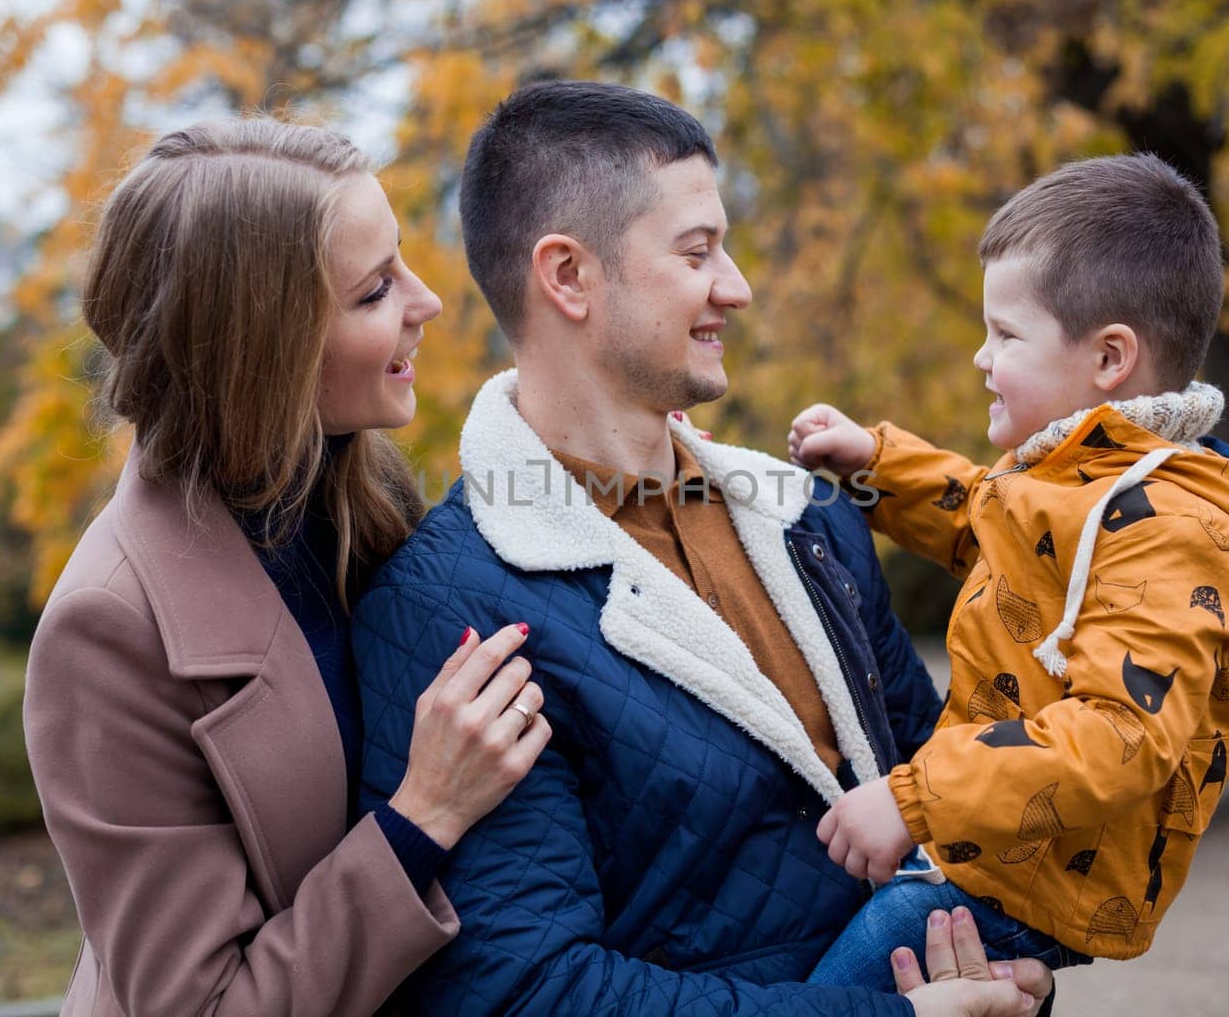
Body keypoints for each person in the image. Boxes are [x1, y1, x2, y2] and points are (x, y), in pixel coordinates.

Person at [352, 80, 1053, 1015]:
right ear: (568, 277)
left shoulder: (809, 516)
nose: (738, 286)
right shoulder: (452, 606)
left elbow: (946, 790)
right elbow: (530, 990)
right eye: (697, 252)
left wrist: (1010, 975)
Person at [21, 117, 552, 1016]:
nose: (426, 303)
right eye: (376, 288)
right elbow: (204, 1005)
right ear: (264, 346)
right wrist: (420, 817)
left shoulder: (362, 491)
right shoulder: (108, 630)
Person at [789, 154, 1229, 992]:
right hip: (984, 841)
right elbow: (992, 524)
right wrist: (880, 466)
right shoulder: (1082, 478)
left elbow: (1121, 735)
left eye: (1006, 334)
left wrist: (915, 798)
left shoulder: (1177, 530)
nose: (979, 358)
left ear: (1109, 359)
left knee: (831, 1007)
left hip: (1010, 878)